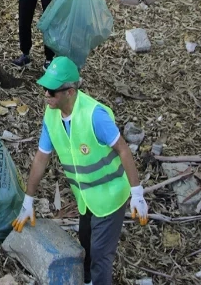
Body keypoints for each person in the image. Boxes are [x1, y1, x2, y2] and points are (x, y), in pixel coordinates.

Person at [12, 56, 149, 285]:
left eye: (52, 91)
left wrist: (137, 193)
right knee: (85, 246)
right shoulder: (51, 116)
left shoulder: (95, 115)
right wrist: (28, 201)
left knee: (100, 256)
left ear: (70, 92)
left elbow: (123, 150)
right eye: (45, 89)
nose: (46, 95)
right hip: (85, 199)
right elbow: (40, 159)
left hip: (110, 196)